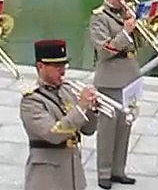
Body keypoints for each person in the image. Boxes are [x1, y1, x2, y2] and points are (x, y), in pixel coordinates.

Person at [20, 39, 100, 190]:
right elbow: (54, 133)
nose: (62, 71)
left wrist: (91, 109)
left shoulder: (68, 90)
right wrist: (81, 106)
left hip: (73, 174)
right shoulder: (31, 101)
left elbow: (88, 130)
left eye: (64, 65)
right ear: (40, 66)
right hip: (47, 178)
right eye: (57, 66)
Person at [89, 0, 139, 189]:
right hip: (109, 76)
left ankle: (119, 170)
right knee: (108, 127)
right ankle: (104, 172)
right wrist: (126, 31)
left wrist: (138, 27)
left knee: (125, 124)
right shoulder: (99, 18)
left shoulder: (127, 14)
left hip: (129, 75)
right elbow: (105, 50)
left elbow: (141, 44)